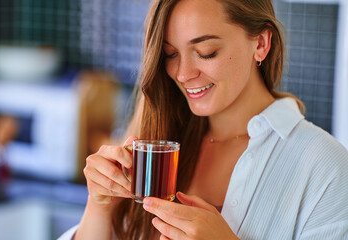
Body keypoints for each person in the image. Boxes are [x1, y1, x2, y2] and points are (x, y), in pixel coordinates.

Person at [59, 0, 348, 239]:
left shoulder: (325, 166)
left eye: (206, 52)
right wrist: (99, 207)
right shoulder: (154, 146)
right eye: (170, 54)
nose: (183, 74)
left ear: (260, 43)